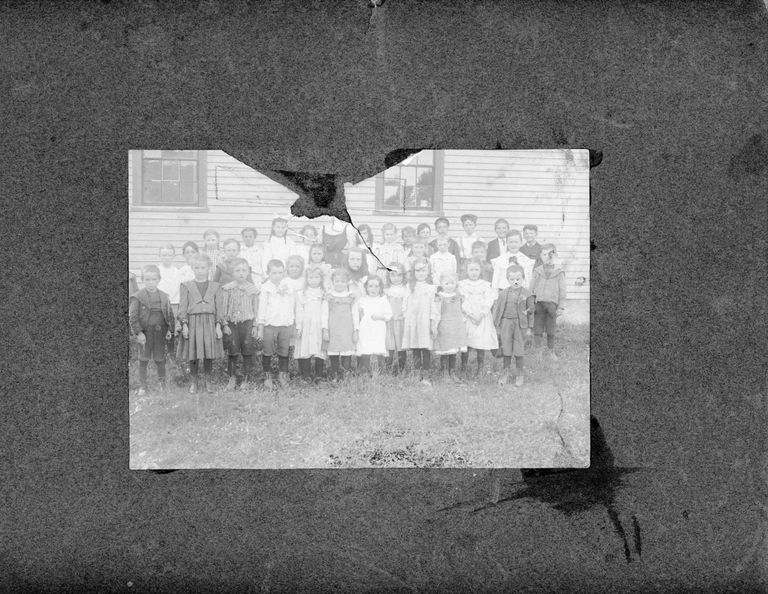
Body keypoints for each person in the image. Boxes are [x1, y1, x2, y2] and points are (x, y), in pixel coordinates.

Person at [176, 254, 225, 394]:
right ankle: (194, 381)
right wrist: (184, 325)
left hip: (210, 322)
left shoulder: (216, 286)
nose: (200, 270)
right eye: (196, 267)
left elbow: (219, 308)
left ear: (209, 268)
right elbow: (182, 308)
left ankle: (208, 381)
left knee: (209, 352)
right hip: (193, 322)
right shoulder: (186, 286)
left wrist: (218, 326)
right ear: (192, 268)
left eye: (203, 267)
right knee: (194, 352)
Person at [129, 265, 175, 395]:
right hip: (145, 333)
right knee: (143, 359)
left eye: (153, 279)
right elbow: (133, 317)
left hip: (160, 332)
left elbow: (169, 315)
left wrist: (169, 330)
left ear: (158, 279)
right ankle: (143, 386)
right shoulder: (137, 297)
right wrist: (139, 333)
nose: (150, 282)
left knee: (160, 358)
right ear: (143, 280)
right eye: (147, 279)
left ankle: (162, 384)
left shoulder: (164, 296)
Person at [219, 258, 259, 391]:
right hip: (232, 324)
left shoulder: (253, 290)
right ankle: (232, 378)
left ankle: (246, 378)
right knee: (233, 351)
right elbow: (223, 308)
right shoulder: (227, 289)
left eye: (244, 270)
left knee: (247, 350)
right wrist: (224, 325)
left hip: (247, 324)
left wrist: (255, 326)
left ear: (248, 272)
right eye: (237, 270)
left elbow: (256, 309)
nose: (241, 273)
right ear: (232, 272)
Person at [492, 264, 535, 387]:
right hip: (506, 322)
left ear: (523, 278)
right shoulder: (503, 293)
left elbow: (531, 312)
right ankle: (505, 372)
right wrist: (497, 324)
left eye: (518, 279)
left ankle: (519, 374)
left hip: (520, 325)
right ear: (507, 280)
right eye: (512, 279)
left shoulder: (527, 294)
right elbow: (498, 308)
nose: (515, 281)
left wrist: (529, 328)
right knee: (506, 347)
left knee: (518, 348)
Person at [256, 259, 295, 389]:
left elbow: (292, 306)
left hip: (285, 324)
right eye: (274, 273)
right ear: (268, 273)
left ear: (283, 273)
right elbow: (261, 308)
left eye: (280, 272)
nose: (277, 276)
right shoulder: (265, 288)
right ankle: (267, 376)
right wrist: (260, 327)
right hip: (270, 325)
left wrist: (293, 322)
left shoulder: (288, 287)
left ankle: (282, 375)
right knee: (268, 351)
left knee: (284, 351)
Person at [401, 257, 439, 386]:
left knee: (426, 348)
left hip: (425, 321)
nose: (420, 273)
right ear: (413, 272)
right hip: (413, 322)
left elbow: (434, 307)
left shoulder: (431, 288)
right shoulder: (409, 287)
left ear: (428, 272)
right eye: (417, 271)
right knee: (416, 348)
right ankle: (417, 374)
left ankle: (426, 376)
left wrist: (433, 322)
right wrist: (408, 320)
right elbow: (405, 305)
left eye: (423, 270)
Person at [459, 260, 499, 378]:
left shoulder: (485, 284)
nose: (474, 272)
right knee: (466, 343)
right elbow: (462, 301)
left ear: (480, 271)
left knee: (481, 342)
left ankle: (480, 367)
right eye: (471, 270)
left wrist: (481, 314)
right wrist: (470, 314)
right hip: (468, 316)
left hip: (482, 317)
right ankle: (463, 367)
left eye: (476, 270)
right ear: (466, 271)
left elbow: (489, 301)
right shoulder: (462, 284)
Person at [530, 243, 567, 360]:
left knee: (551, 330)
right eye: (545, 254)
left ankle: (551, 351)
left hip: (552, 306)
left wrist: (560, 307)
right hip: (539, 305)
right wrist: (531, 304)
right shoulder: (537, 271)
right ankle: (538, 352)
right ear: (541, 256)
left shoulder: (559, 272)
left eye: (551, 254)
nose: (548, 257)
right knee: (538, 329)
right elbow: (531, 290)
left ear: (555, 255)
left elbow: (563, 291)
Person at [322, 268, 360, 381]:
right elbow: (324, 314)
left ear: (347, 282)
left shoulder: (351, 297)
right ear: (332, 282)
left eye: (343, 281)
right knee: (333, 352)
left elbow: (355, 314)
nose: (340, 284)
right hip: (333, 328)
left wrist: (355, 331)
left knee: (346, 352)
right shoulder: (329, 297)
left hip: (347, 329)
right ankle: (334, 374)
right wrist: (325, 330)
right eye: (337, 281)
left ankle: (345, 376)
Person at [431, 273, 468, 383]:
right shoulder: (439, 297)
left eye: (452, 283)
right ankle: (444, 373)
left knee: (454, 351)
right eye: (446, 283)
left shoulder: (459, 296)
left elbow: (464, 310)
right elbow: (436, 313)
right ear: (441, 284)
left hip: (457, 326)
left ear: (456, 283)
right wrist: (434, 326)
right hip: (445, 327)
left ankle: (452, 372)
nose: (449, 285)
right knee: (445, 351)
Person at [294, 266, 327, 382]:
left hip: (319, 324)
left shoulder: (324, 293)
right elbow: (299, 310)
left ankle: (319, 375)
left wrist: (325, 327)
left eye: (317, 277)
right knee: (305, 348)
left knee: (319, 349)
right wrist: (299, 326)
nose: (314, 280)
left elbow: (325, 311)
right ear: (306, 279)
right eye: (311, 277)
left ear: (321, 279)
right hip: (306, 324)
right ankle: (306, 375)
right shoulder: (302, 293)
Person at [355, 276, 393, 375]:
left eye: (376, 286)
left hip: (378, 328)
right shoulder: (362, 300)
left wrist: (380, 317)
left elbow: (389, 315)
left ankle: (379, 371)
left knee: (378, 347)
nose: (373, 289)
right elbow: (359, 313)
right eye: (370, 286)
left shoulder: (383, 300)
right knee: (366, 348)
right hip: (366, 328)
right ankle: (365, 370)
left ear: (380, 288)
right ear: (366, 288)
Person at [384, 263, 408, 375]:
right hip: (389, 321)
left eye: (399, 275)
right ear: (388, 276)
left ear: (403, 276)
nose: (396, 278)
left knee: (401, 346)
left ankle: (401, 369)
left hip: (401, 320)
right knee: (390, 345)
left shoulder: (406, 289)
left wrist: (404, 314)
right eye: (393, 275)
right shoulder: (386, 290)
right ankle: (388, 369)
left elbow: (407, 305)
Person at [157, 244, 182, 317]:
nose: (167, 258)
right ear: (159, 256)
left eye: (169, 255)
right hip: (159, 304)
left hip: (174, 304)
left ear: (173, 256)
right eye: (164, 255)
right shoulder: (156, 271)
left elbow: (176, 288)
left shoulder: (177, 272)